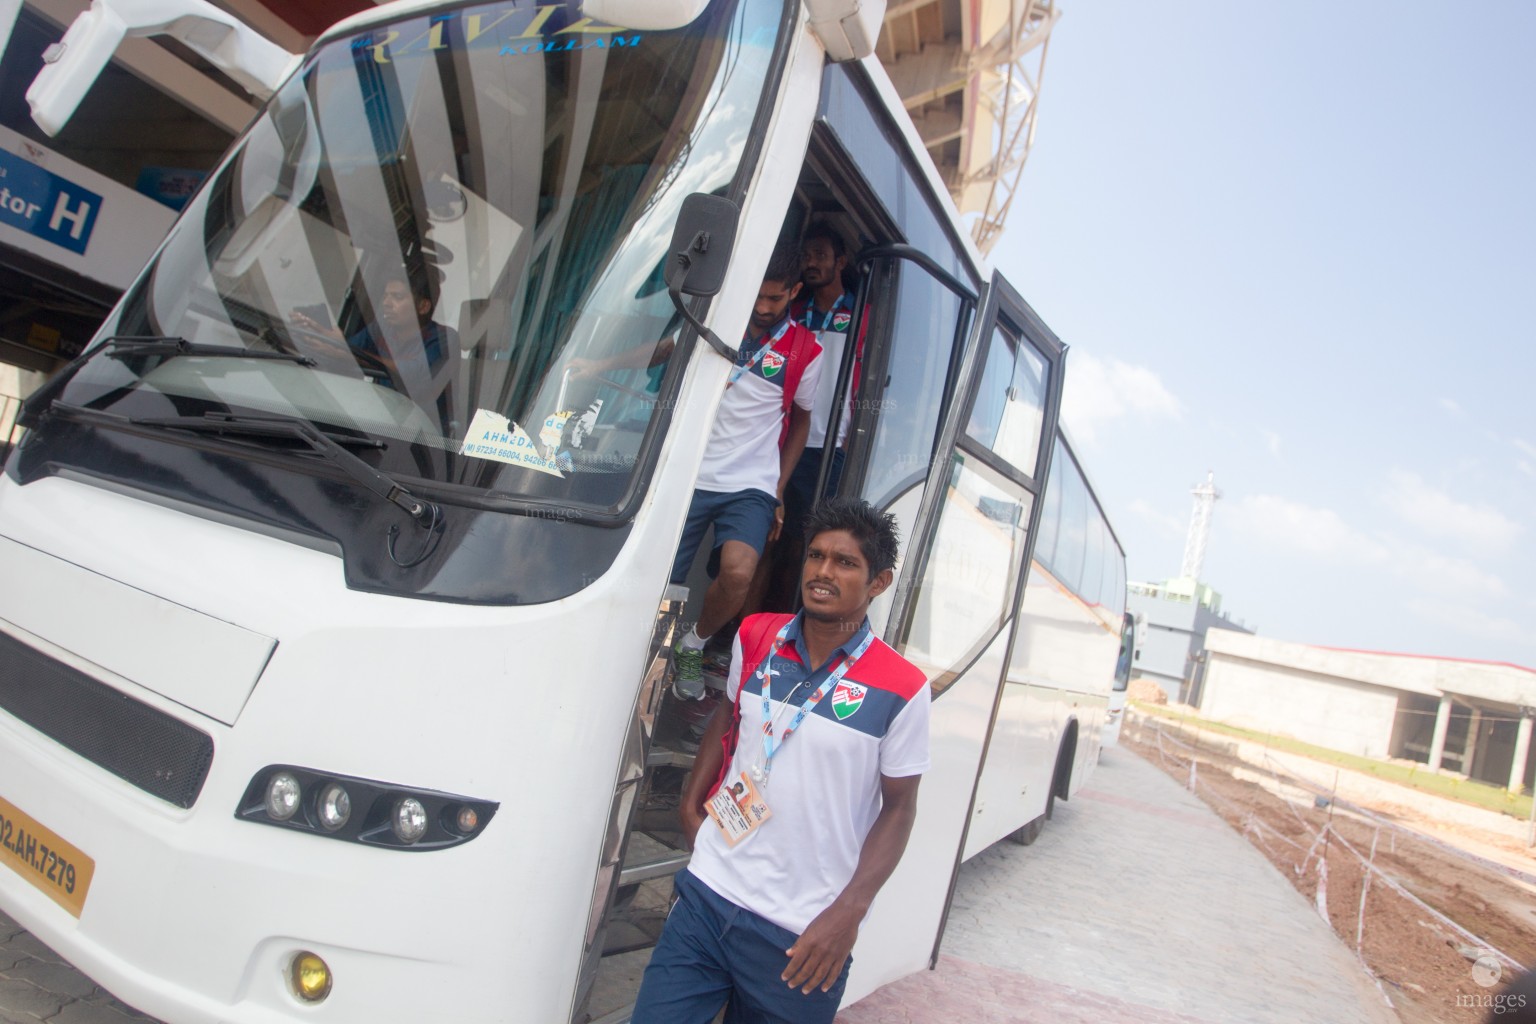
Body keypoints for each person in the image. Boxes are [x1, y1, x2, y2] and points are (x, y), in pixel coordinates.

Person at [631, 497, 929, 1024]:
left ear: (878, 582)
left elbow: (899, 809)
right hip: (709, 893)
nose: (823, 572)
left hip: (802, 936)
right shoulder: (756, 636)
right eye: (816, 556)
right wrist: (689, 807)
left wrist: (849, 912)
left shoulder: (902, 687)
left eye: (845, 562)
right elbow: (728, 716)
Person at [668, 241, 823, 696]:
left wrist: (777, 487)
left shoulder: (805, 351)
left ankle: (692, 645)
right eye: (757, 295)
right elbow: (669, 350)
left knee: (738, 572)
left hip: (750, 484)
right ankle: (644, 652)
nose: (762, 306)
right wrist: (602, 363)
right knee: (664, 580)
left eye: (774, 298)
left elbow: (802, 421)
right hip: (690, 471)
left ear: (794, 291)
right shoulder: (722, 320)